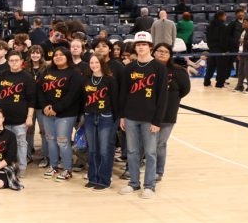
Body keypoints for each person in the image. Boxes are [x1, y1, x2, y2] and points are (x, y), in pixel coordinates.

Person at [118, 32, 168, 198]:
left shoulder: (159, 68)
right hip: (131, 117)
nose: (140, 47)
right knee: (132, 152)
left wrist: (157, 121)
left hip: (150, 119)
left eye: (144, 44)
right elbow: (123, 94)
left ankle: (149, 186)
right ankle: (133, 183)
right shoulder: (129, 68)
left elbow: (162, 97)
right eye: (138, 44)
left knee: (151, 152)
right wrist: (123, 116)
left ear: (150, 47)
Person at [37, 47, 83, 182]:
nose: (58, 57)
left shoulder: (74, 73)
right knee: (50, 140)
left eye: (61, 55)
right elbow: (40, 91)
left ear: (67, 56)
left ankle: (67, 169)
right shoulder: (47, 71)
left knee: (62, 141)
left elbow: (72, 96)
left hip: (66, 114)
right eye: (55, 55)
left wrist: (56, 108)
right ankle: (54, 166)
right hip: (48, 113)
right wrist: (45, 106)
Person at [153, 43, 190, 183]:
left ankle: (158, 171)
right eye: (159, 51)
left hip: (168, 114)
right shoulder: (149, 68)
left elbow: (185, 90)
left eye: (165, 52)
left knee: (160, 143)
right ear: (154, 52)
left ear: (170, 55)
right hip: (149, 113)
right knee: (147, 143)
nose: (162, 54)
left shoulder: (178, 71)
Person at [82, 54, 118, 191]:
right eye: (92, 62)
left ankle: (104, 180)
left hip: (106, 117)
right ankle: (93, 178)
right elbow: (82, 99)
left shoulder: (110, 80)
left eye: (97, 62)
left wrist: (116, 119)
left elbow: (115, 100)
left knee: (104, 150)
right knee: (92, 150)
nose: (94, 65)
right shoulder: (86, 79)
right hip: (90, 116)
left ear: (102, 63)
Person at [232, 17, 248, 93]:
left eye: (245, 23)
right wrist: (239, 52)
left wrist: (244, 41)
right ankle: (239, 86)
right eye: (243, 22)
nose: (243, 24)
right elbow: (241, 44)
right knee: (240, 71)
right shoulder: (244, 31)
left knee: (247, 72)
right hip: (242, 53)